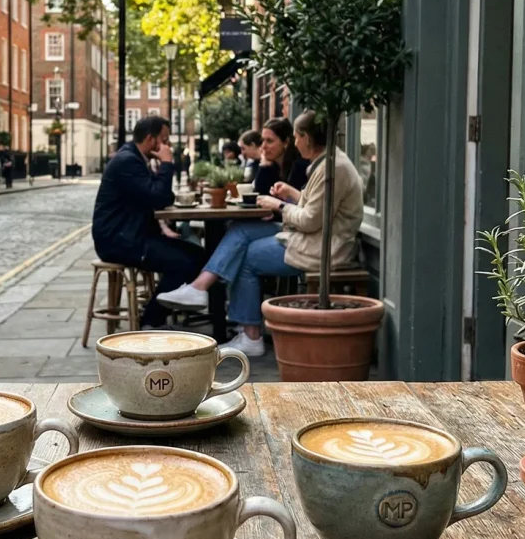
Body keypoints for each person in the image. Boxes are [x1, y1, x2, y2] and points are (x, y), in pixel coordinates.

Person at [157, 111, 364, 356]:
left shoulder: (331, 169)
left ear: (307, 138)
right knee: (241, 230)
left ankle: (250, 335)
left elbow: (310, 220)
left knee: (246, 256)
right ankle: (201, 290)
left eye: (297, 137)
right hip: (312, 238)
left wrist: (279, 205)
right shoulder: (328, 163)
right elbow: (317, 209)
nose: (295, 143)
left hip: (323, 247)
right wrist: (291, 193)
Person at [92, 115, 204, 328]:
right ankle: (151, 321)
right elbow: (159, 197)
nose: (167, 145)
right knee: (185, 263)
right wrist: (167, 163)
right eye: (164, 139)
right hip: (118, 241)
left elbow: (162, 196)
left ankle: (162, 313)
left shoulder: (135, 158)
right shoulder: (127, 161)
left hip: (132, 235)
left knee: (198, 255)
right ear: (151, 139)